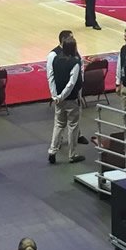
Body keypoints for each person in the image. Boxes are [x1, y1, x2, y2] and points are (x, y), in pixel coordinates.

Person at [44, 31, 84, 165]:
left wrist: (55, 96)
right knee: (73, 126)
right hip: (70, 99)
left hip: (59, 100)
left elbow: (51, 77)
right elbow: (72, 83)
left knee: (58, 125)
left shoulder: (55, 59)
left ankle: (52, 150)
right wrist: (61, 96)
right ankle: (72, 154)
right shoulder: (75, 62)